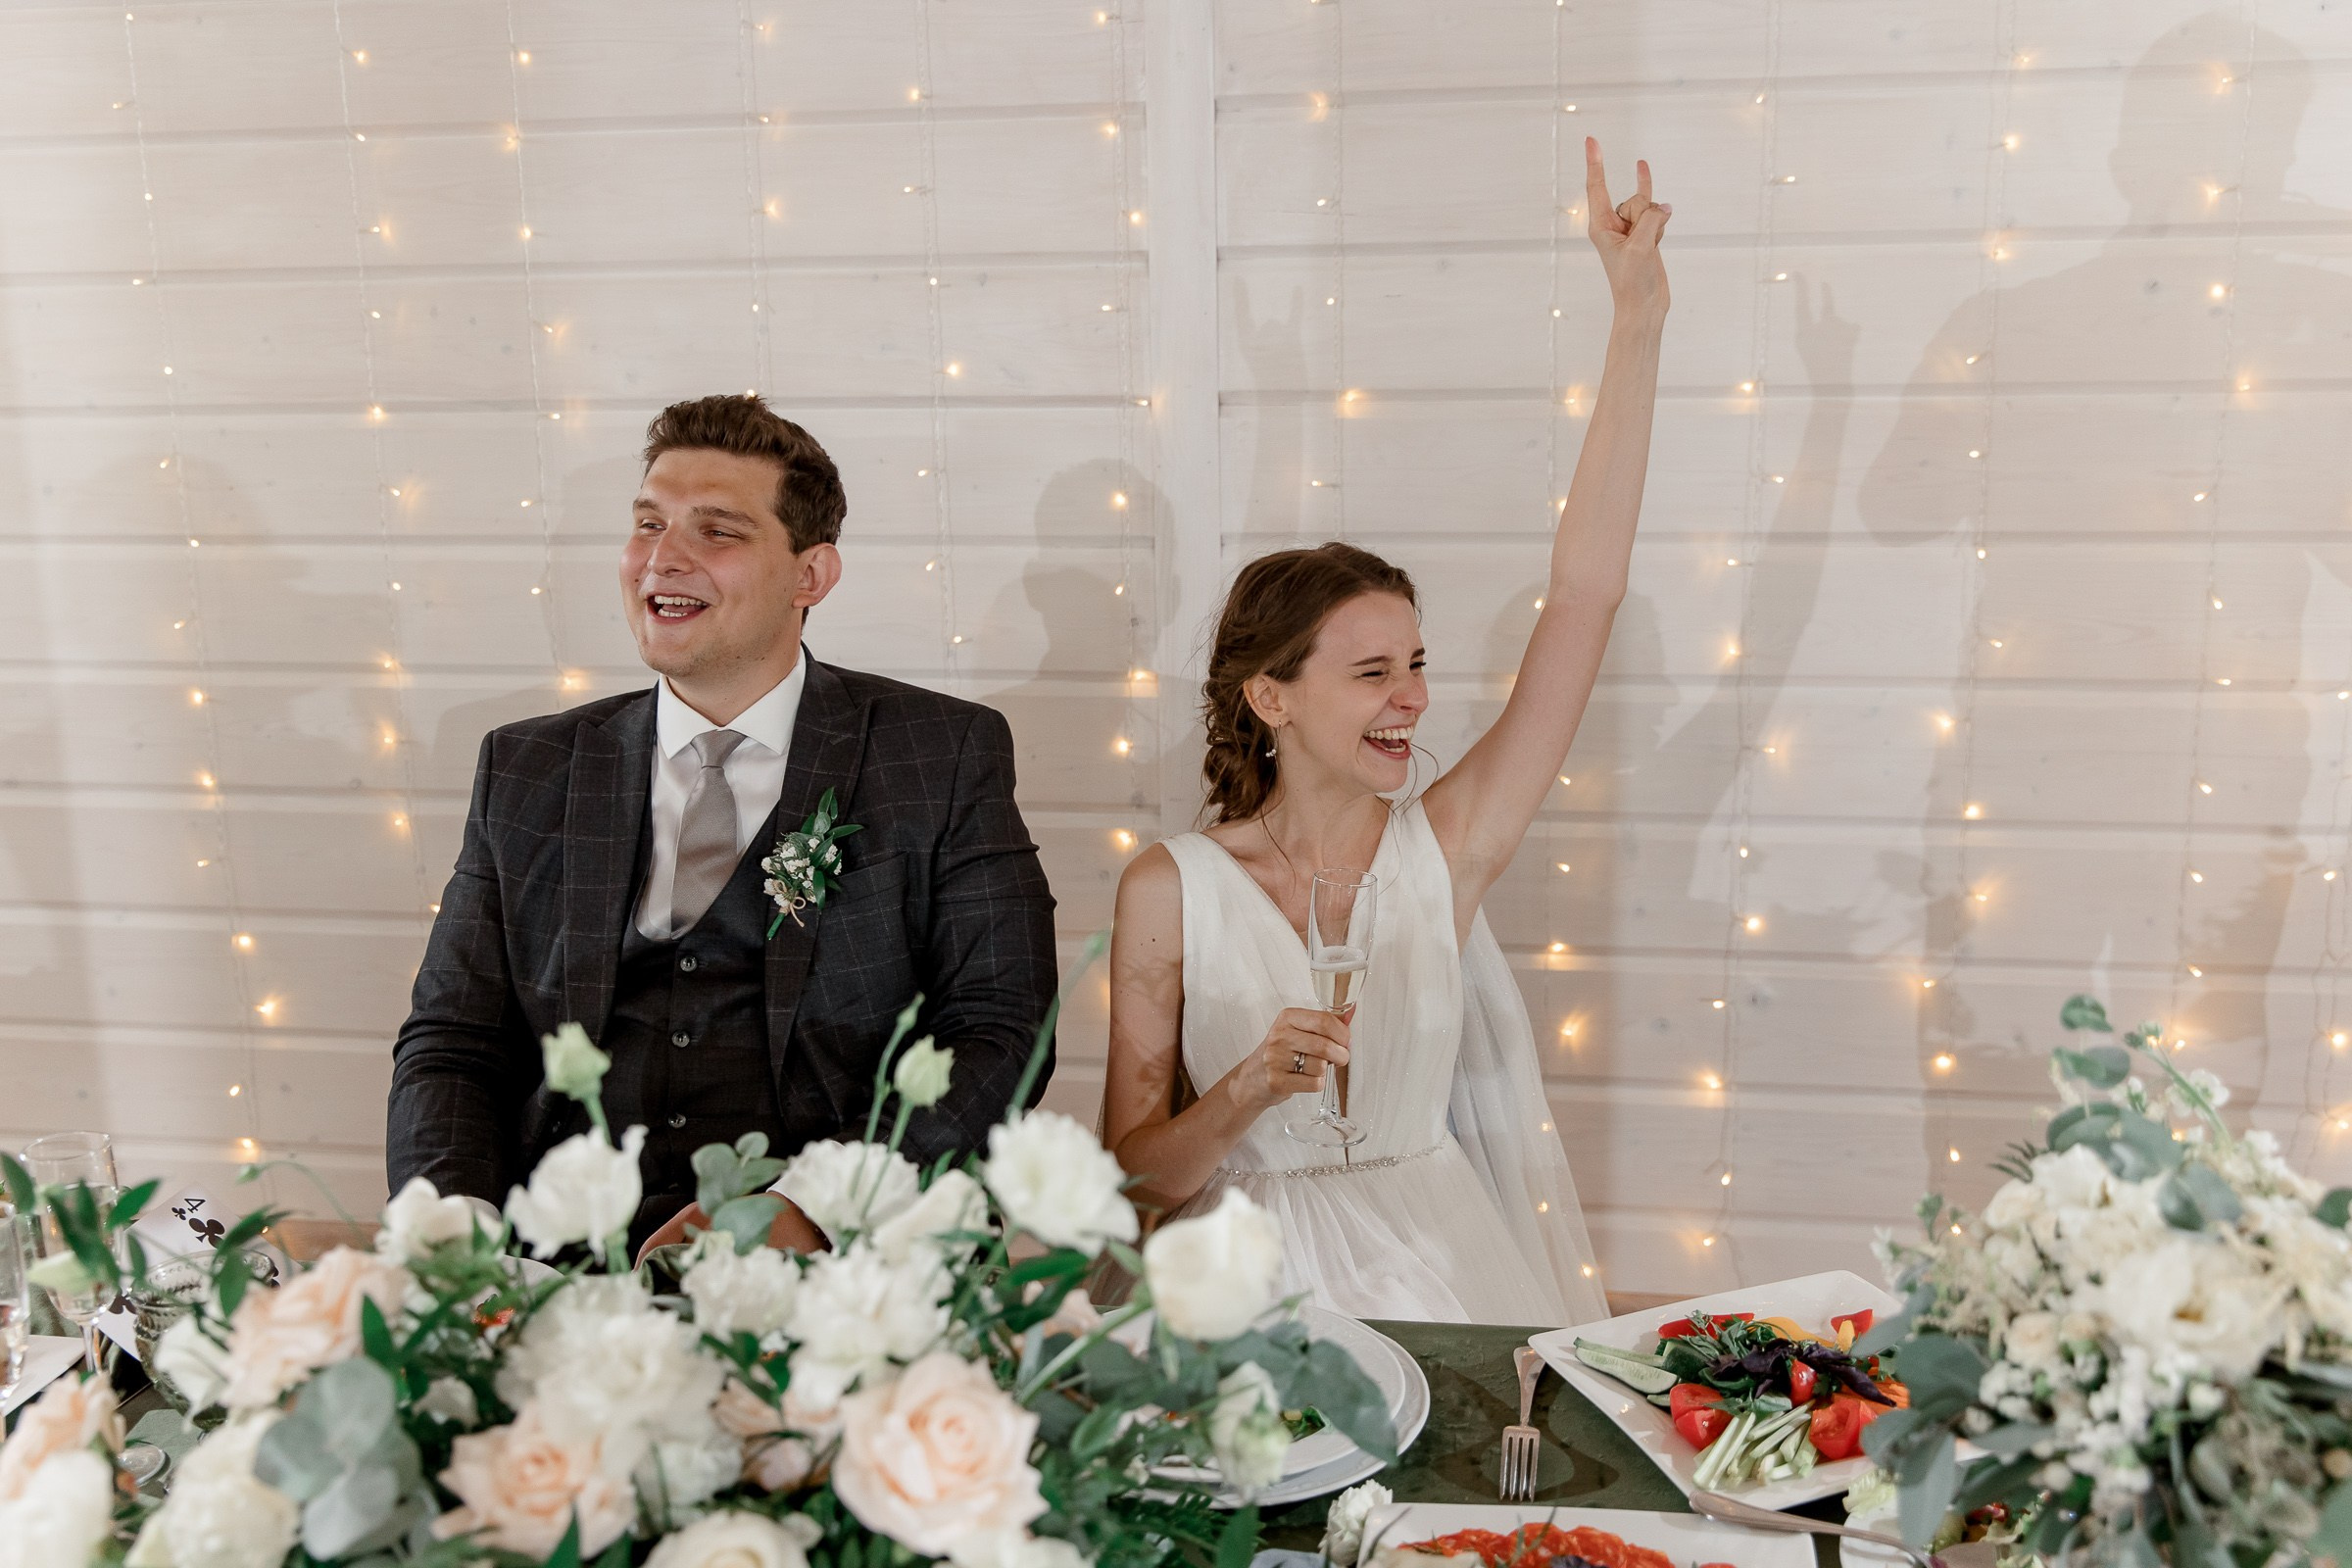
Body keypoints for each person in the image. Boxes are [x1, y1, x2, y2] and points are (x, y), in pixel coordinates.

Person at [1102, 141, 1667, 1324]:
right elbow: (1132, 1185)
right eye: (1372, 672)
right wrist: (1250, 1087)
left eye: (1417, 664)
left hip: (1440, 1273)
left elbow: (1585, 596)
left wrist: (1637, 321)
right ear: (1273, 698)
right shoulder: (1171, 887)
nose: (1412, 696)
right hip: (1232, 1296)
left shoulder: (1447, 846)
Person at [386, 395, 1058, 1257]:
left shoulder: (938, 754)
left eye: (717, 532)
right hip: (562, 1268)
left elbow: (1002, 1028)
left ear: (809, 576)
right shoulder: (527, 769)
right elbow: (454, 1040)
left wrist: (814, 1206)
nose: (662, 559)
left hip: (841, 1264)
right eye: (648, 525)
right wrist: (455, 1237)